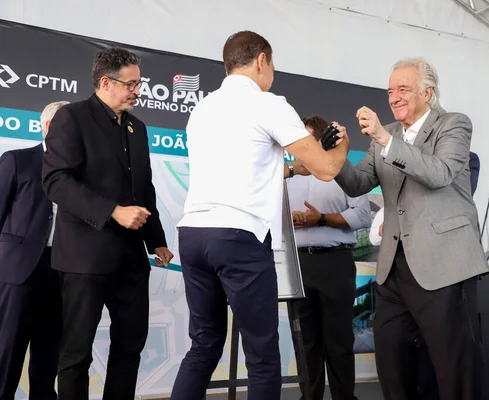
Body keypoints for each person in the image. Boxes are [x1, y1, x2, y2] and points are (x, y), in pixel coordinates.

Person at [170, 31, 350, 400]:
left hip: (193, 234)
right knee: (263, 357)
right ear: (262, 61)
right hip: (237, 239)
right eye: (273, 66)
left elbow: (238, 167)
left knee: (204, 346)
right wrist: (342, 145)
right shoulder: (269, 103)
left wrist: (289, 170)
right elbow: (328, 169)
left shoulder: (202, 108)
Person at [334, 57, 489, 400]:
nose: (394, 96)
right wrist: (337, 156)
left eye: (403, 88)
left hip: (444, 266)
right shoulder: (386, 135)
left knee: (454, 371)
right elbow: (358, 183)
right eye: (390, 90)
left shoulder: (453, 124)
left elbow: (439, 173)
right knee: (393, 366)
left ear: (428, 93)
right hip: (393, 269)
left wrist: (384, 140)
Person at [41, 47, 174, 400]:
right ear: (105, 82)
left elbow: (143, 189)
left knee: (130, 348)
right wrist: (113, 211)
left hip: (131, 260)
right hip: (84, 259)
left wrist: (156, 240)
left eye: (139, 84)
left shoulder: (137, 128)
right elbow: (56, 181)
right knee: (76, 354)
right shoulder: (72, 118)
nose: (137, 91)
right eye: (131, 84)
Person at [288, 115, 371, 400]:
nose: (302, 148)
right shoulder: (288, 173)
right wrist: (292, 218)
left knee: (338, 340)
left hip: (335, 263)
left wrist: (320, 219)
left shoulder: (345, 170)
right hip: (298, 263)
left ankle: (344, 397)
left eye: (308, 140)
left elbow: (362, 216)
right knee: (305, 340)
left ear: (322, 140)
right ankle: (309, 397)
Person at [0, 101, 68, 400]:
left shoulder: (81, 173)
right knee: (7, 351)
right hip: (18, 271)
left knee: (49, 353)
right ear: (49, 126)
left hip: (63, 270)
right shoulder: (17, 160)